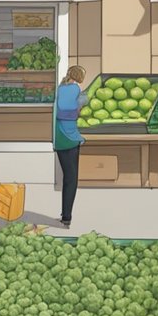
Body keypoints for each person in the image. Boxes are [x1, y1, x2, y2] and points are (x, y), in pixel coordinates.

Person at [54, 65, 89, 225]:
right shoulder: (73, 88)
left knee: (68, 177)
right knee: (71, 178)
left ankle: (66, 215)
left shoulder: (62, 87)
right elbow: (66, 112)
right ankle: (66, 216)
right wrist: (83, 100)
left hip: (61, 138)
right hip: (68, 137)